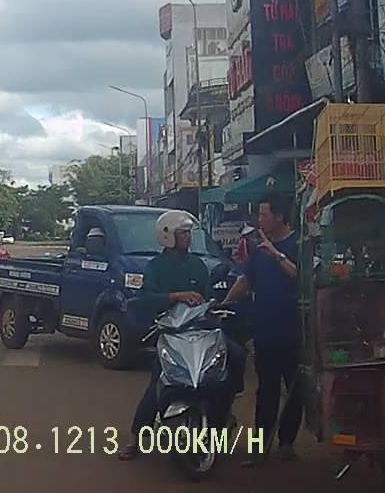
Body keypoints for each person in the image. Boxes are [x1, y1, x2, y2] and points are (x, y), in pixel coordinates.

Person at [118, 210, 245, 461]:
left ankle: (224, 413)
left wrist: (214, 306)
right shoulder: (155, 267)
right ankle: (135, 437)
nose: (188, 237)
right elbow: (146, 298)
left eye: (188, 233)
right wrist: (176, 296)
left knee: (235, 356)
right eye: (183, 233)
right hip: (172, 333)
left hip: (200, 331)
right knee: (158, 383)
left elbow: (208, 296)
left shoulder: (197, 265)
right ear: (167, 236)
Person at [224, 193, 302, 464]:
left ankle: (287, 443)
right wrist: (223, 304)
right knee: (266, 391)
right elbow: (245, 281)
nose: (259, 220)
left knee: (294, 391)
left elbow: (302, 276)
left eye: (263, 214)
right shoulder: (258, 250)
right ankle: (260, 447)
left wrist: (276, 254)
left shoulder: (298, 244)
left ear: (279, 217)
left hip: (294, 331)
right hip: (265, 331)